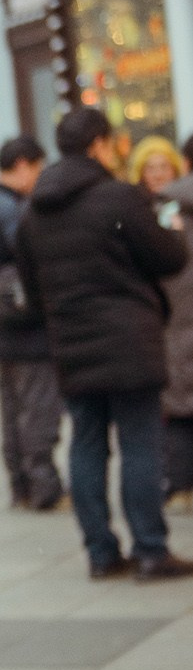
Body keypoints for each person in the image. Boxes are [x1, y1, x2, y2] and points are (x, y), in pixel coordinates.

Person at [16, 105, 192, 580]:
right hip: (129, 341)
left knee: (87, 444)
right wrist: (173, 235)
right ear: (98, 144)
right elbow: (167, 258)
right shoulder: (119, 198)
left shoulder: (34, 210)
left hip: (70, 346)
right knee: (139, 442)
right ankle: (152, 550)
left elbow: (31, 291)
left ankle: (100, 553)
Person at [0, 134, 65, 511]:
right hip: (26, 328)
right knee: (38, 409)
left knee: (12, 412)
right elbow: (34, 260)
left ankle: (21, 486)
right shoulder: (13, 211)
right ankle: (45, 488)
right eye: (39, 168)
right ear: (24, 164)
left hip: (1, 327)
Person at [128, 133, 193, 504]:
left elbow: (162, 256)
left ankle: (181, 485)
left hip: (173, 311)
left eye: (162, 166)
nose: (157, 174)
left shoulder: (163, 208)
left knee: (178, 403)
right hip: (177, 315)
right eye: (150, 168)